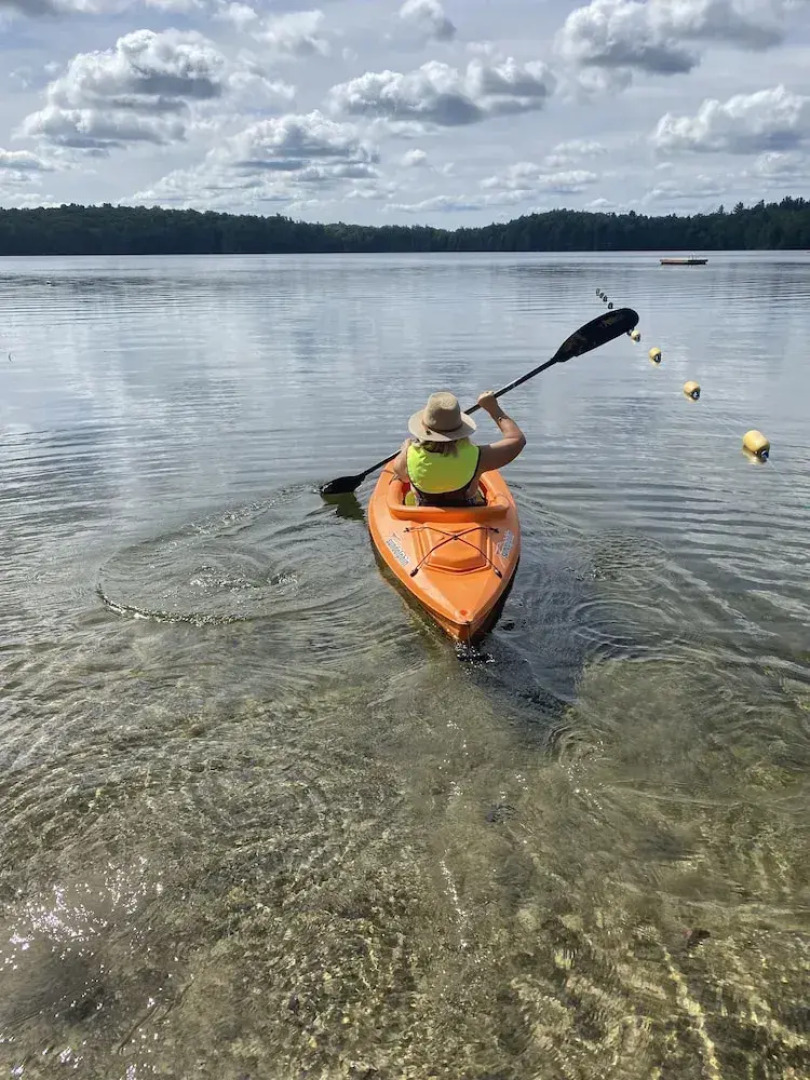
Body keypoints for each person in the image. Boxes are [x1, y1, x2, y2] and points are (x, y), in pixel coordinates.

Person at [391, 390, 526, 507]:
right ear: (461, 429)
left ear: (423, 428)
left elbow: (403, 477)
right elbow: (517, 440)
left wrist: (406, 449)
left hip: (424, 513)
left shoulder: (407, 458)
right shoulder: (480, 457)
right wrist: (493, 408)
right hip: (470, 513)